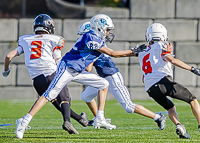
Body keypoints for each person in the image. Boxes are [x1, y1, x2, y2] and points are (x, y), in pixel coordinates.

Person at [10, 13, 140, 139]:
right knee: (49, 94)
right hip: (66, 68)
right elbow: (113, 54)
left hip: (76, 70)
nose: (108, 32)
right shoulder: (91, 37)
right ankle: (24, 121)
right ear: (99, 27)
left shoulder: (96, 38)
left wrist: (135, 53)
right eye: (107, 29)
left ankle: (99, 118)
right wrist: (134, 51)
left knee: (103, 83)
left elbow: (111, 54)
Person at [2, 14, 88, 138]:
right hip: (52, 74)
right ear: (49, 27)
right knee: (64, 100)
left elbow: (9, 56)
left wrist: (6, 70)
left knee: (55, 102)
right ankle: (67, 121)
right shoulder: (53, 39)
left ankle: (80, 119)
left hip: (37, 80)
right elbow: (58, 59)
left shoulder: (26, 40)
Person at [77, 21, 167, 130]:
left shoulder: (93, 46)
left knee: (128, 106)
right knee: (85, 96)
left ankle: (158, 117)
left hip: (112, 77)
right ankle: (99, 118)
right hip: (103, 78)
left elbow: (88, 68)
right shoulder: (97, 44)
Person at [137, 23, 200, 139]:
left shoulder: (142, 51)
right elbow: (171, 59)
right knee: (193, 99)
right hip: (163, 81)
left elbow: (144, 76)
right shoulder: (163, 45)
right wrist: (192, 69)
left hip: (150, 88)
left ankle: (179, 126)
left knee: (170, 107)